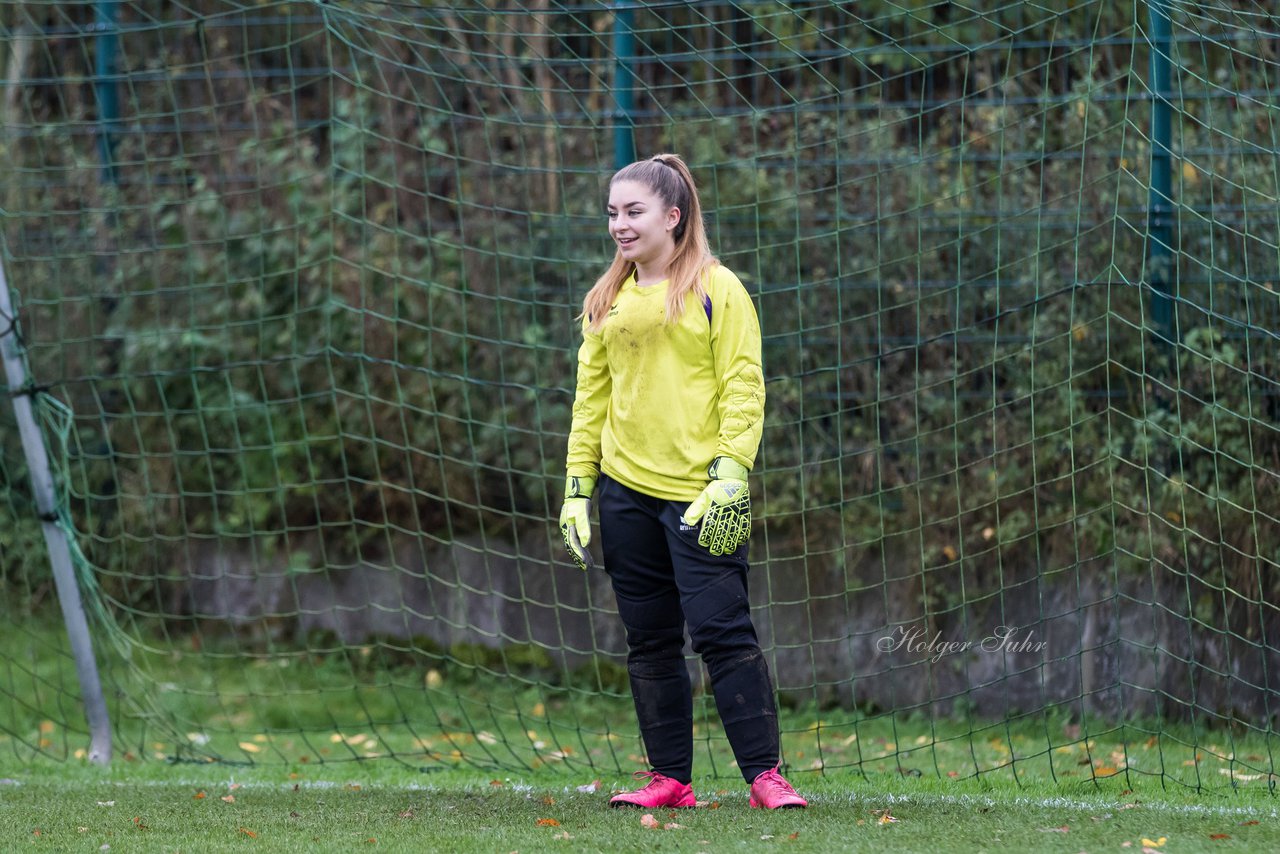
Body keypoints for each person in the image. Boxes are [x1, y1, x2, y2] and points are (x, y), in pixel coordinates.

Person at [559, 153, 807, 810]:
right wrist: (579, 486)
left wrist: (731, 473)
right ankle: (670, 781)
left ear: (674, 215)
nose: (619, 224)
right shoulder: (606, 299)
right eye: (612, 212)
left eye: (633, 211)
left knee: (724, 632)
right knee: (650, 640)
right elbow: (590, 399)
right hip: (624, 495)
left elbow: (743, 385)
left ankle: (765, 777)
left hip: (702, 497)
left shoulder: (719, 289)